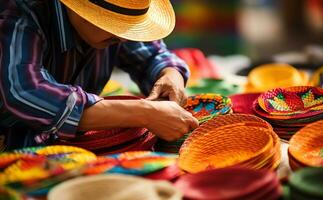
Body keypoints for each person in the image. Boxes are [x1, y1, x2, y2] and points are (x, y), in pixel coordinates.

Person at [0, 0, 199, 150]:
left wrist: (170, 74)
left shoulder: (116, 20)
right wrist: (144, 113)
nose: (123, 37)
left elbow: (153, 55)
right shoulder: (20, 15)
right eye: (113, 24)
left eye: (129, 26)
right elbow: (24, 91)